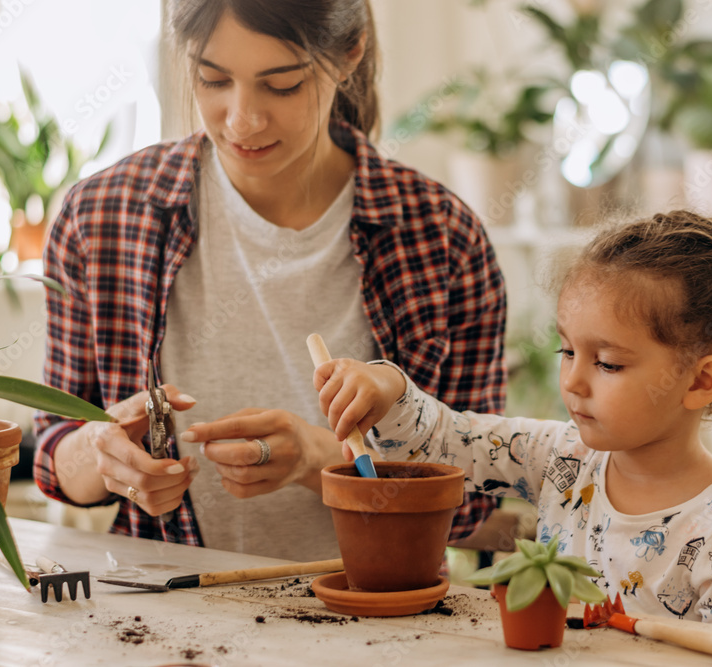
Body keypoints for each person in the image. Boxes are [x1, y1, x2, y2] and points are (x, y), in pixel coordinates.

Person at [33, 0, 505, 562]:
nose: (242, 119)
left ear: (348, 55)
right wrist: (102, 453)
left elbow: (474, 497)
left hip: (368, 617)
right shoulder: (101, 216)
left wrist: (316, 460)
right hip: (162, 616)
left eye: (282, 85)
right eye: (213, 79)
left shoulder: (440, 236)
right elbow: (53, 452)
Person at [313, 210, 712, 631]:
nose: (573, 380)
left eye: (608, 363)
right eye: (567, 349)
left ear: (700, 381)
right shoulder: (562, 460)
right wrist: (388, 388)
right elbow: (441, 441)